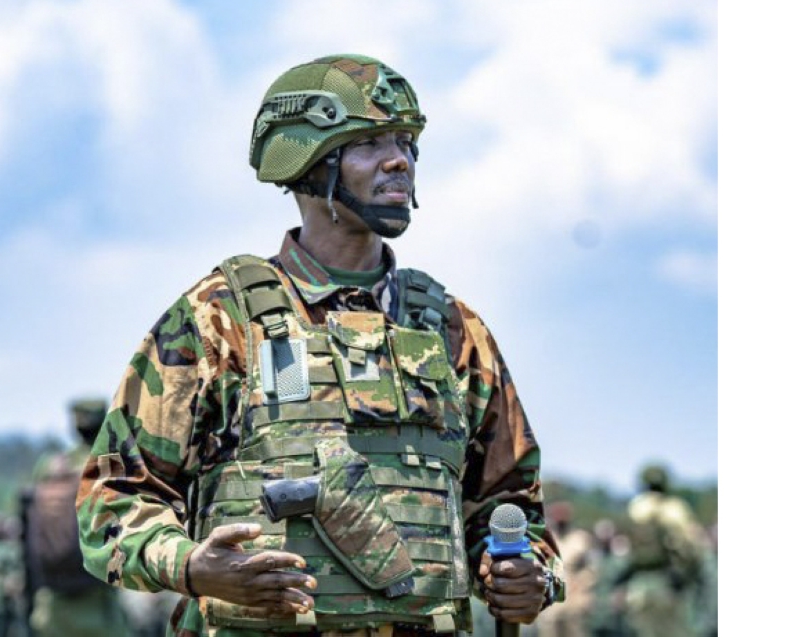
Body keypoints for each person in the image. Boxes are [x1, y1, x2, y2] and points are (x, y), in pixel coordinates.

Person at [76, 53, 566, 637]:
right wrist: (192, 566)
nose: (399, 162)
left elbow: (512, 504)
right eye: (370, 143)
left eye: (407, 142)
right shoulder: (220, 320)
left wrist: (527, 576)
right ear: (308, 162)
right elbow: (111, 500)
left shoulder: (453, 331)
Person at [22, 398, 132, 637]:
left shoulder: (49, 467)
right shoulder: (109, 465)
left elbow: (31, 530)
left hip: (51, 604)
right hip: (98, 602)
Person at [616, 463, 709, 637]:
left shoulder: (634, 508)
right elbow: (692, 546)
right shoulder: (674, 509)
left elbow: (625, 549)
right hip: (669, 585)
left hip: (638, 587)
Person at [534, 502, 597, 637]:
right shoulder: (545, 540)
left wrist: (582, 582)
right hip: (551, 599)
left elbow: (592, 568)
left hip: (575, 597)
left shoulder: (581, 539)